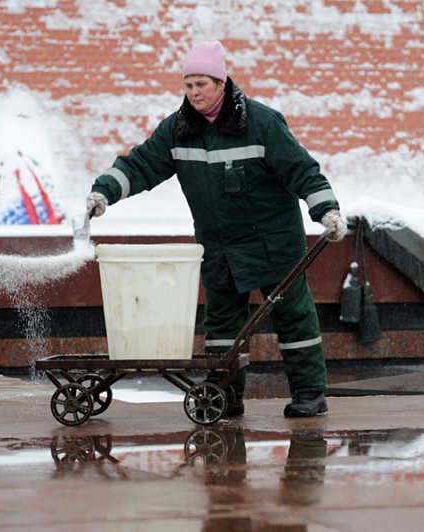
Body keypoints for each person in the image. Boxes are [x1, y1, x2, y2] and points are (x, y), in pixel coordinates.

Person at [86, 40, 347, 417]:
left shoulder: (261, 122)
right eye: (188, 85)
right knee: (223, 324)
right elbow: (140, 165)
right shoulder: (178, 131)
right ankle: (226, 395)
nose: (194, 93)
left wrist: (326, 210)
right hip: (220, 246)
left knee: (293, 315)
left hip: (273, 241)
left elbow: (301, 170)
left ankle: (309, 393)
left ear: (221, 84)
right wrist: (104, 192)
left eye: (202, 85)